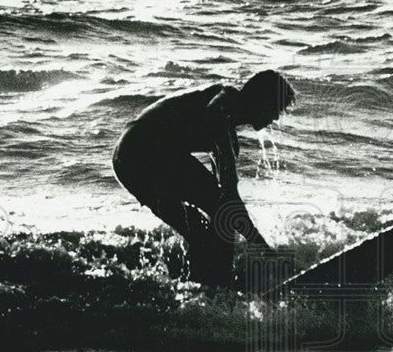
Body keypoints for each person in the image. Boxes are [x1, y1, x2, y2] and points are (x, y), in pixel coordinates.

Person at [112, 70, 295, 288]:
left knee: (203, 231)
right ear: (261, 99)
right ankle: (219, 289)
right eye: (276, 109)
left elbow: (229, 197)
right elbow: (213, 110)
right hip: (144, 148)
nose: (275, 118)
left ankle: (195, 292)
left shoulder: (226, 132)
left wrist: (257, 243)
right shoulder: (224, 101)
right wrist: (260, 245)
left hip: (125, 159)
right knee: (220, 217)